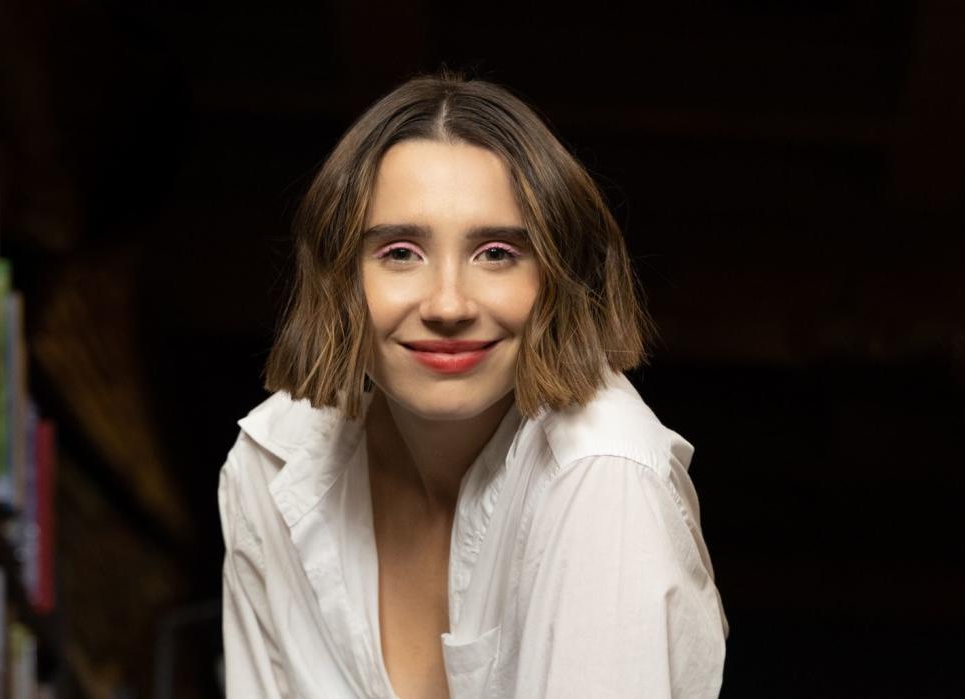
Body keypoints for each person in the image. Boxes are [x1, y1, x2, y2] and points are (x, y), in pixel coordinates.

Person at [218, 71, 728, 698]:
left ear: (560, 278)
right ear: (338, 280)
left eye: (496, 253)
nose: (449, 304)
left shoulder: (601, 474)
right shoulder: (269, 464)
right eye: (401, 252)